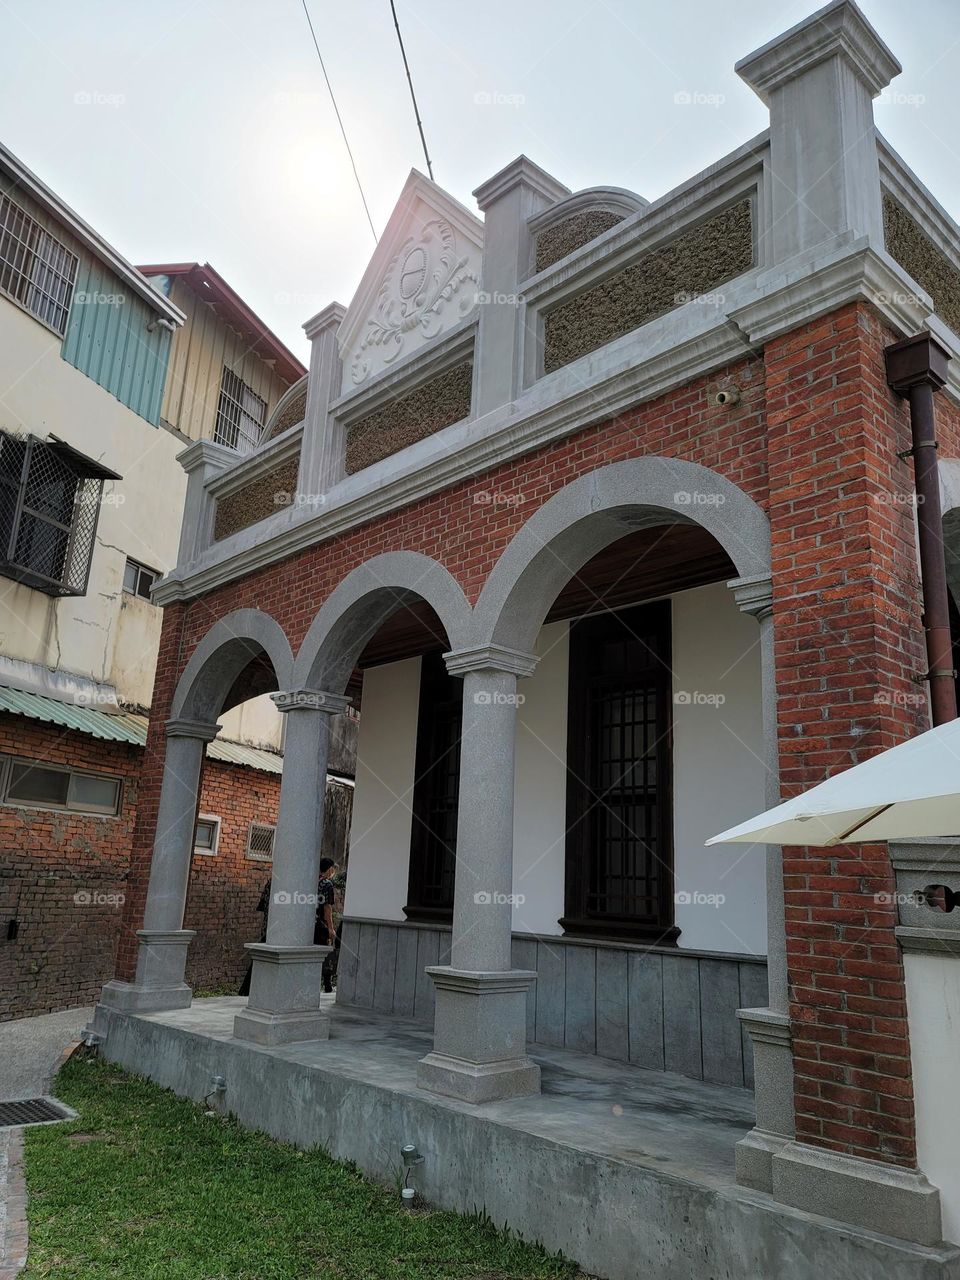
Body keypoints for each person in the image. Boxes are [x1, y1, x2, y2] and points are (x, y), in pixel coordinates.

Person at [238, 876, 271, 996]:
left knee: (262, 956)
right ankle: (249, 988)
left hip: (268, 925)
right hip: (277, 928)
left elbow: (262, 906)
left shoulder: (271, 882)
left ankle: (248, 989)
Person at [314, 858, 338, 993]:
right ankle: (327, 985)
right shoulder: (327, 884)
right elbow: (327, 908)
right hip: (321, 923)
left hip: (310, 922)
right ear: (330, 869)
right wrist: (331, 927)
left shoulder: (313, 881)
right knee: (326, 952)